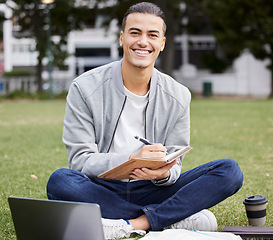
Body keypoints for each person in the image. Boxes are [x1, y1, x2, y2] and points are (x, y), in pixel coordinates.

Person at [47, 2, 243, 239]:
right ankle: (168, 219)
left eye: (152, 35)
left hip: (154, 189)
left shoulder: (179, 95)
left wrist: (162, 174)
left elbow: (175, 163)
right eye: (135, 33)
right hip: (101, 187)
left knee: (229, 171)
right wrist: (130, 161)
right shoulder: (84, 88)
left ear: (162, 43)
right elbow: (79, 161)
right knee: (60, 181)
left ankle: (130, 223)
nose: (143, 42)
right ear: (122, 38)